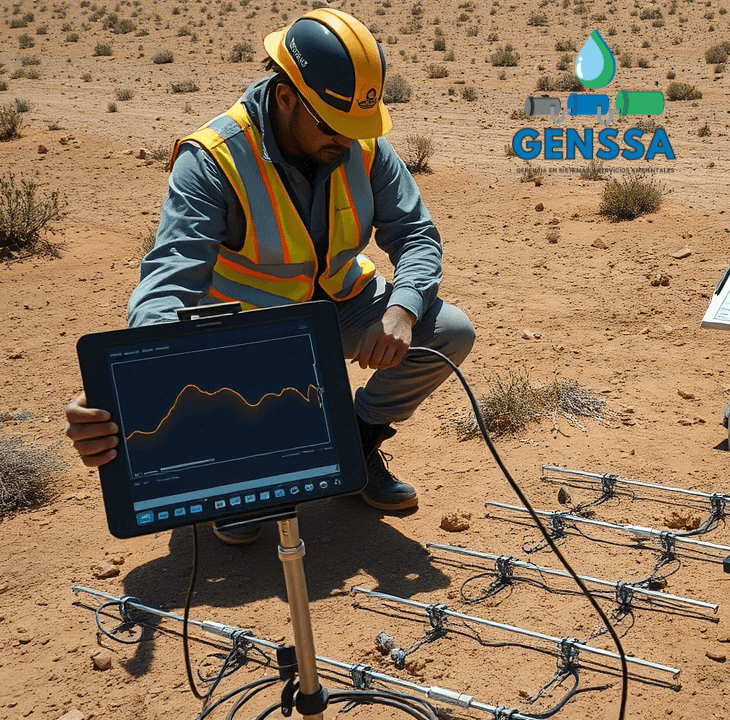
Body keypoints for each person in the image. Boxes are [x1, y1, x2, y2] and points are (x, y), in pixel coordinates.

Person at [64, 7, 475, 544]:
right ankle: (246, 470)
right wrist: (131, 380)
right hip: (251, 329)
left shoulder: (363, 142)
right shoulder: (213, 158)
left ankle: (353, 445)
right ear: (286, 97)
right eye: (336, 127)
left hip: (341, 302)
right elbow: (168, 277)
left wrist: (401, 309)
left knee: (448, 331)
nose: (350, 142)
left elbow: (417, 234)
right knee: (246, 525)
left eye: (359, 128)